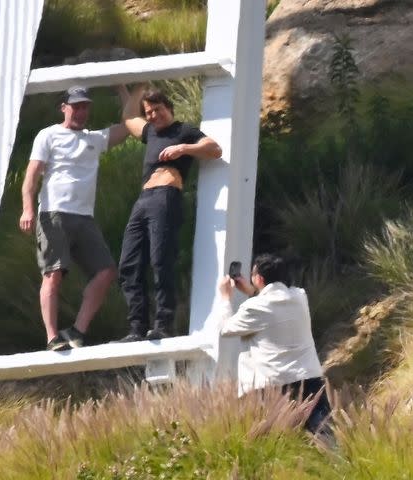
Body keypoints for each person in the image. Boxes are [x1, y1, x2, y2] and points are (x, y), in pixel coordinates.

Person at [20, 86, 129, 351]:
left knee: (106, 272)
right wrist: (27, 208)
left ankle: (77, 330)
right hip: (54, 213)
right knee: (54, 273)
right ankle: (52, 337)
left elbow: (128, 126)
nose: (81, 111)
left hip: (84, 218)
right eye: (76, 106)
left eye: (85, 106)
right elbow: (32, 174)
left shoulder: (94, 138)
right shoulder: (49, 135)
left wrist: (123, 86)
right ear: (64, 107)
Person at [115, 85, 222, 342]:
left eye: (157, 110)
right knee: (128, 264)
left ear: (169, 108)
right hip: (142, 200)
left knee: (160, 260)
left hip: (165, 196)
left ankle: (164, 323)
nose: (153, 116)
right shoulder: (150, 132)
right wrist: (138, 87)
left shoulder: (184, 130)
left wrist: (183, 149)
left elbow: (214, 149)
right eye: (149, 112)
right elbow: (129, 117)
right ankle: (137, 328)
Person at [218, 254, 332, 434]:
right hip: (310, 379)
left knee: (277, 439)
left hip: (275, 386)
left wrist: (225, 298)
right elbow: (272, 307)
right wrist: (252, 291)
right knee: (325, 435)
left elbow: (226, 329)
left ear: (259, 278)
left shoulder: (254, 307)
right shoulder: (300, 297)